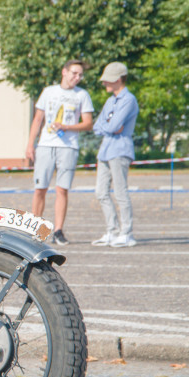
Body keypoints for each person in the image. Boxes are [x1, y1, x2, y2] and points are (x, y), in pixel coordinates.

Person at [25, 59, 94, 245]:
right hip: (46, 145)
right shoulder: (49, 92)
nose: (77, 77)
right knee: (40, 188)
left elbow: (88, 123)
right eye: (74, 73)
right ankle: (35, 229)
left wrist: (66, 126)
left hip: (68, 146)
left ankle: (58, 231)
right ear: (64, 72)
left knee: (62, 189)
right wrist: (30, 144)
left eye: (80, 75)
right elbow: (38, 119)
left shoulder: (82, 95)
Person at [92, 61, 139, 248]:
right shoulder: (110, 101)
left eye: (108, 80)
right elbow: (98, 127)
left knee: (120, 192)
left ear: (118, 79)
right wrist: (110, 127)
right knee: (101, 192)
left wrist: (110, 126)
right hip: (105, 150)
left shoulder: (129, 99)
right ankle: (111, 231)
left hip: (120, 150)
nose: (105, 84)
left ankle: (126, 233)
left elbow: (113, 126)